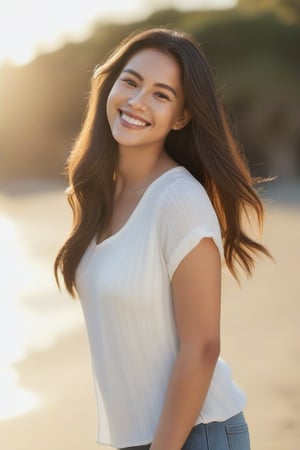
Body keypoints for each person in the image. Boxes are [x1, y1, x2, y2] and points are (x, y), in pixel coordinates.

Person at [54, 28, 271, 450]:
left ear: (182, 116)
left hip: (196, 434)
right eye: (131, 82)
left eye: (161, 94)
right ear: (110, 85)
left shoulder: (178, 200)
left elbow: (203, 346)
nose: (137, 102)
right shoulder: (98, 196)